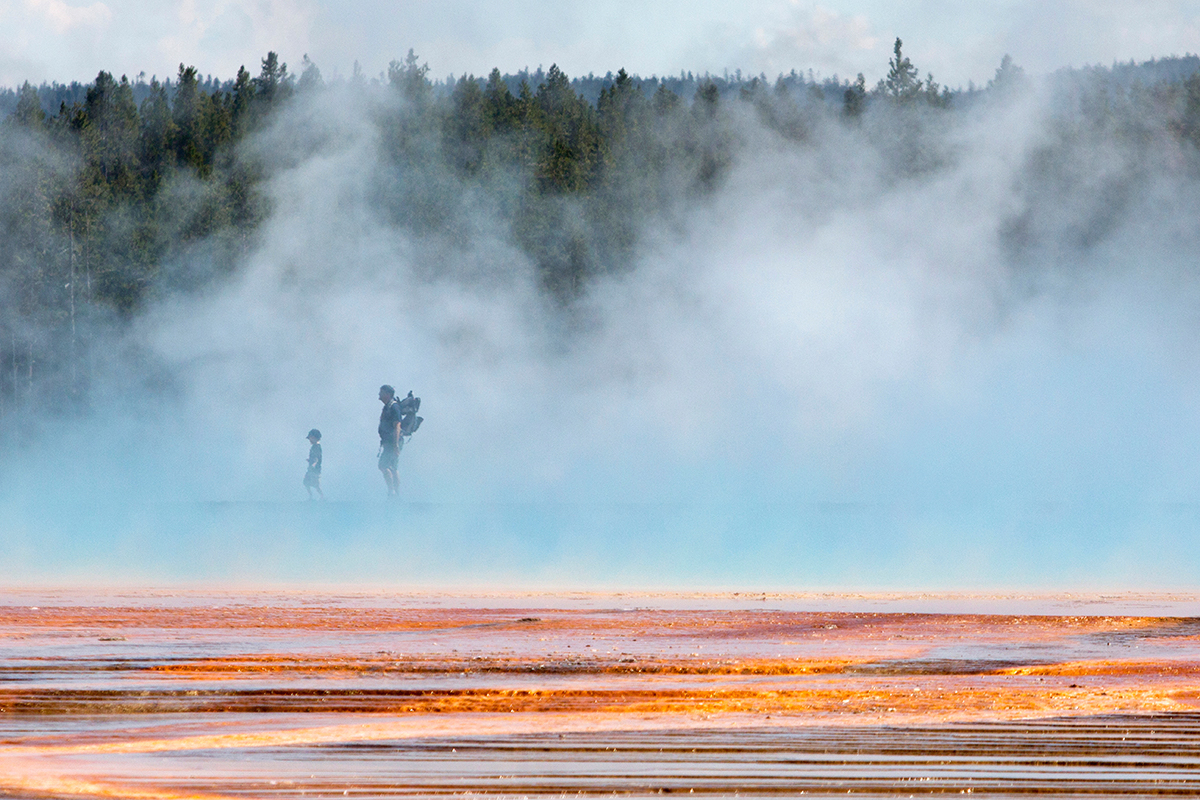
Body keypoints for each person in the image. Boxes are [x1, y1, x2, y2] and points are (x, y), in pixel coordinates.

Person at [378, 385, 402, 498]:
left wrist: (396, 444)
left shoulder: (393, 407)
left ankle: (392, 492)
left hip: (392, 443)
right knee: (392, 467)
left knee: (384, 465)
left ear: (387, 394)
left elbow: (397, 425)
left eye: (381, 393)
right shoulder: (388, 407)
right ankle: (395, 493)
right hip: (389, 443)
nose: (379, 395)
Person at [303, 429, 324, 500]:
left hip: (315, 469)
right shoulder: (314, 447)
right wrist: (310, 461)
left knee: (316, 484)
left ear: (315, 438)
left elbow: (317, 458)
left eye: (311, 438)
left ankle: (322, 496)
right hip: (312, 468)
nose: (310, 440)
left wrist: (313, 464)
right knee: (306, 482)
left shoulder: (316, 447)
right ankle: (311, 496)